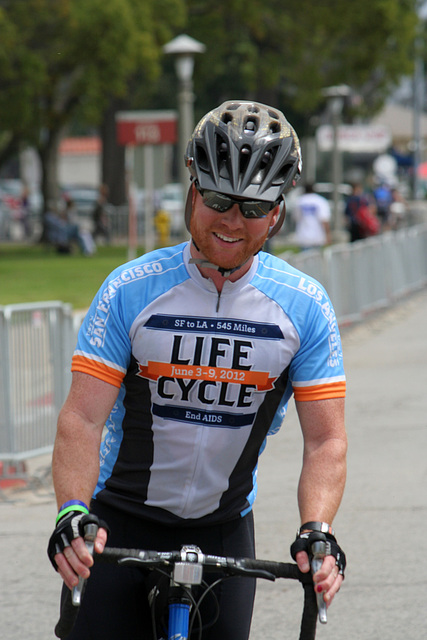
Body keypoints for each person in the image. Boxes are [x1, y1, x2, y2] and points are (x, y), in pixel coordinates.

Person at [48, 100, 347, 640]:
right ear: (191, 188)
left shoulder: (304, 306)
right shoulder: (130, 288)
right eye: (216, 199)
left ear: (276, 213)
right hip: (119, 520)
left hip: (224, 528)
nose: (233, 221)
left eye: (253, 208)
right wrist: (71, 511)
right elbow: (82, 420)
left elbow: (326, 440)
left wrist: (317, 531)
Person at [292, 183, 331, 249]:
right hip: (317, 236)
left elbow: (296, 218)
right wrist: (328, 235)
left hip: (303, 236)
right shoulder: (320, 201)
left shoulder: (299, 201)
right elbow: (324, 219)